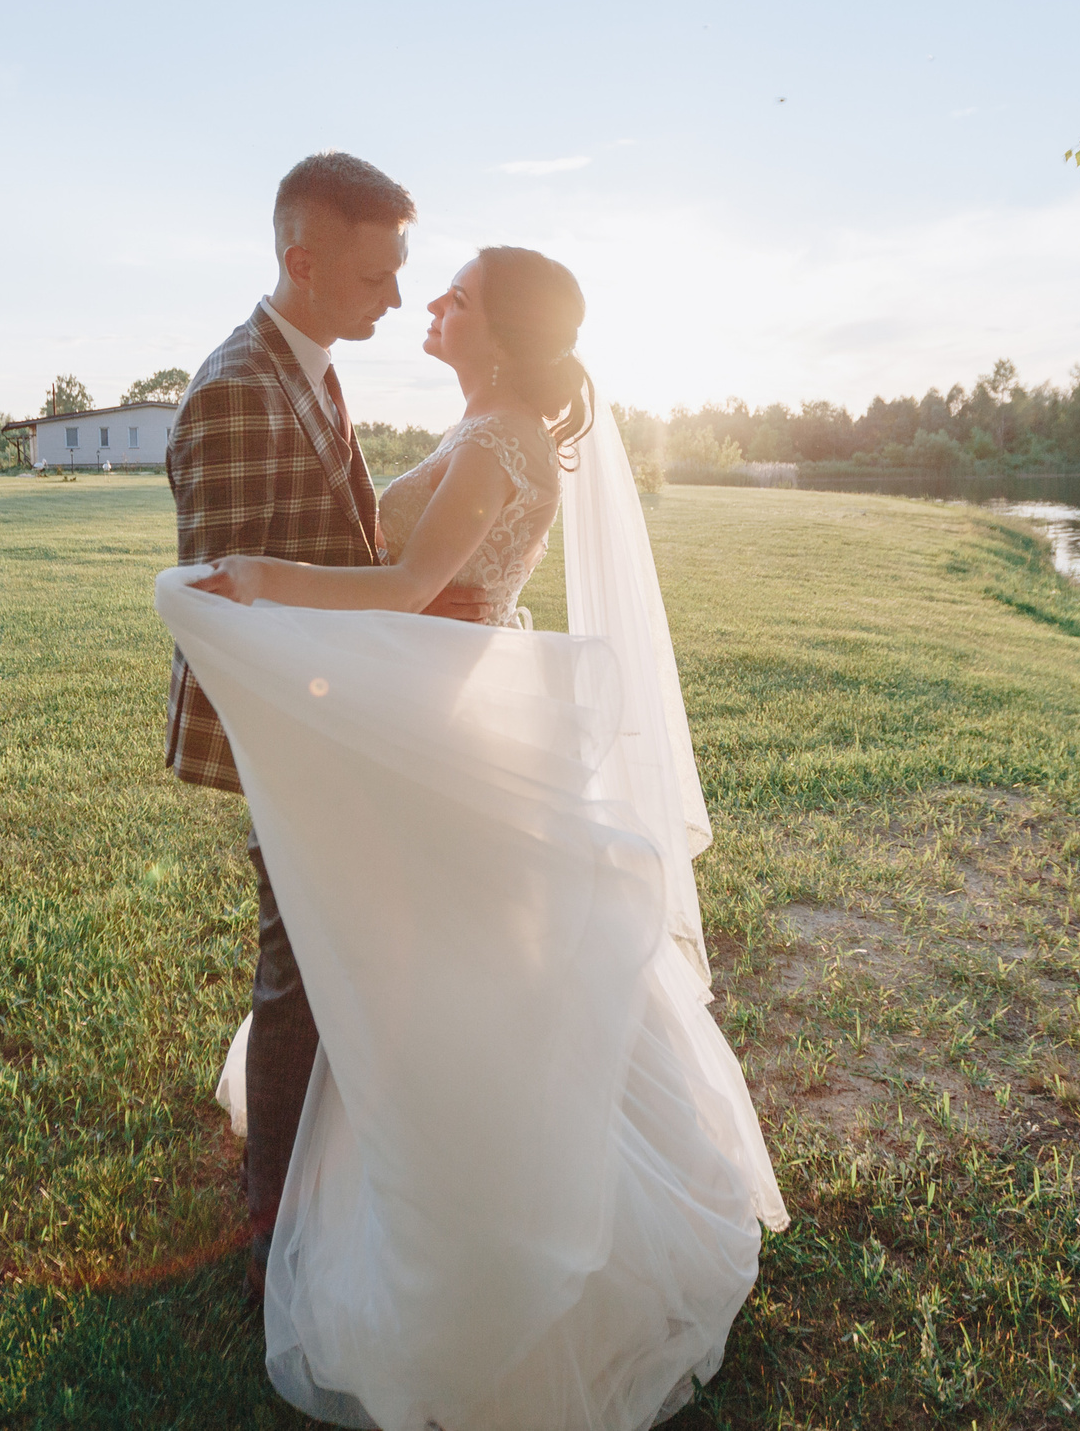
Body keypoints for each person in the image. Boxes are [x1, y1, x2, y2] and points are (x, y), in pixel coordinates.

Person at [159, 245, 786, 1430]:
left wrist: (258, 577)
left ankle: (476, 1213)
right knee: (438, 958)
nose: (431, 303)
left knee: (445, 970)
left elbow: (410, 590)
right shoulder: (493, 429)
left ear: (498, 333)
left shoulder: (500, 441)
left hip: (438, 728)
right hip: (433, 713)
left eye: (456, 294)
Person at [163, 152, 487, 1305]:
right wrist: (316, 743)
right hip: (292, 734)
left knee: (324, 952)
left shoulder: (308, 362)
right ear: (300, 262)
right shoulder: (235, 389)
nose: (396, 298)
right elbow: (228, 603)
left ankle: (321, 1183)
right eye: (373, 275)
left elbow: (324, 547)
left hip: (337, 720)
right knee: (298, 968)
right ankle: (275, 1231)